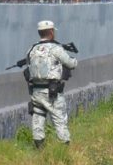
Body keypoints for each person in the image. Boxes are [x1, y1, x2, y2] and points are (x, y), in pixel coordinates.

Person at [26, 20, 77, 148]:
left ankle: (39, 149)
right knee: (59, 120)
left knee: (38, 119)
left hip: (36, 92)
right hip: (52, 93)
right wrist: (74, 60)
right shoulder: (56, 49)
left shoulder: (32, 48)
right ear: (51, 32)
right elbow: (71, 64)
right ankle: (64, 149)